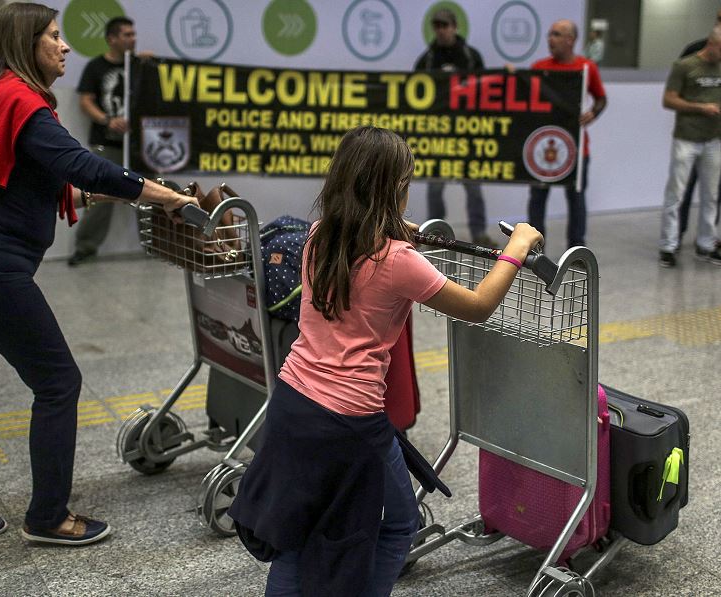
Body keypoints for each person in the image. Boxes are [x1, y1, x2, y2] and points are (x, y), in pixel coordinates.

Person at [0, 2, 197, 552]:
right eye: (53, 35)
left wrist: (97, 194)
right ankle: (48, 516)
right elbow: (83, 164)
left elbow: (22, 181)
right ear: (27, 44)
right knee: (58, 383)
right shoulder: (22, 101)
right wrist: (161, 192)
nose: (64, 45)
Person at [228, 126, 543, 596]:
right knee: (397, 525)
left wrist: (397, 231)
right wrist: (516, 247)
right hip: (349, 421)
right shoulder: (398, 260)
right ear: (395, 188)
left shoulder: (320, 235)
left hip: (293, 401)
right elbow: (478, 306)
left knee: (296, 533)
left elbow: (369, 249)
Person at [414, 8, 494, 247]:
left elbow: (488, 90)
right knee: (435, 188)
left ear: (454, 27)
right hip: (438, 133)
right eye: (437, 25)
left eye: (445, 25)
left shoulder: (470, 56)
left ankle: (479, 233)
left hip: (467, 132)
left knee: (474, 187)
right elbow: (413, 92)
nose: (441, 29)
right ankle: (436, 233)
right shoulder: (426, 59)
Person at [527, 20, 607, 249]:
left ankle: (577, 247)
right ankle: (534, 247)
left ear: (570, 39)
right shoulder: (539, 67)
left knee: (576, 199)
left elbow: (601, 98)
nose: (550, 39)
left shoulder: (586, 67)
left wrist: (593, 113)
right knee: (538, 199)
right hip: (542, 147)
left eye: (556, 34)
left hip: (576, 147)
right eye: (550, 34)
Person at [68, 16, 138, 266]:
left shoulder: (140, 65)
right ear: (112, 38)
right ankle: (85, 247)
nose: (133, 39)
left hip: (138, 145)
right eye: (127, 35)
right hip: (106, 144)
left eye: (133, 34)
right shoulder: (96, 67)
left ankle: (160, 244)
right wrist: (107, 120)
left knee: (154, 193)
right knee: (97, 196)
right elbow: (85, 101)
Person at [658, 26, 721, 267]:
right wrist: (700, 108)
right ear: (711, 44)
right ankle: (668, 246)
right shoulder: (685, 66)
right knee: (676, 193)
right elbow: (668, 99)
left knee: (711, 196)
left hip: (714, 140)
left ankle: (706, 244)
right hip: (686, 138)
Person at [676, 9, 721, 246]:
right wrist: (700, 107)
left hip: (717, 136)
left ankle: (709, 237)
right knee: (683, 188)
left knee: (714, 192)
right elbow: (674, 93)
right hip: (691, 134)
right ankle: (676, 235)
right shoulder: (694, 51)